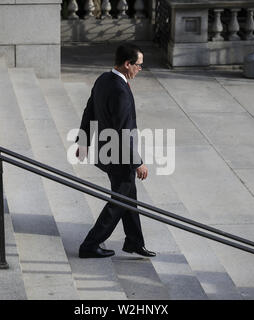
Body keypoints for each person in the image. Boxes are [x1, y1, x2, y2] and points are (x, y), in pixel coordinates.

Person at [75, 43, 156, 259]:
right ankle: (90, 244)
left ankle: (134, 241)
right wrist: (137, 161)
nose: (140, 69)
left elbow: (89, 110)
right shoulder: (120, 91)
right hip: (119, 155)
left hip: (109, 151)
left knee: (128, 196)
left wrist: (83, 141)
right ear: (127, 64)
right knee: (118, 201)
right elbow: (121, 132)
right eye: (138, 65)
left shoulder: (103, 79)